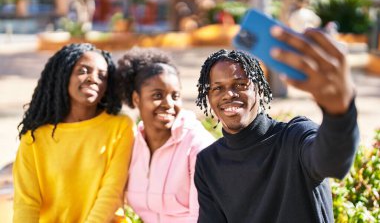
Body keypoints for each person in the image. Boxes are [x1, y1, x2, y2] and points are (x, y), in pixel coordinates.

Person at [194, 26, 359, 222]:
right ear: (209, 98)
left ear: (260, 90)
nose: (229, 94)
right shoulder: (208, 162)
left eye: (240, 85)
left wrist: (339, 113)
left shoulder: (295, 138)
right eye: (218, 88)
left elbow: (333, 163)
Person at [13, 43, 135, 223]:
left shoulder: (120, 127)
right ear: (64, 75)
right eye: (83, 70)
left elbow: (111, 193)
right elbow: (26, 203)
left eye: (102, 76)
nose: (94, 79)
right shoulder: (34, 137)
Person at [116, 47, 214, 223]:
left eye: (175, 96)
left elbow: (203, 216)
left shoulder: (197, 144)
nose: (169, 104)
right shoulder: (132, 143)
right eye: (157, 95)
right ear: (136, 99)